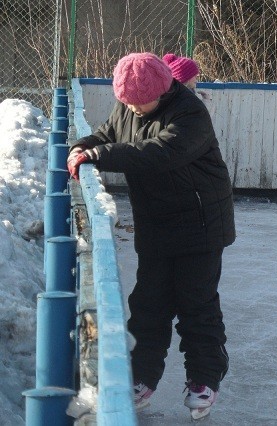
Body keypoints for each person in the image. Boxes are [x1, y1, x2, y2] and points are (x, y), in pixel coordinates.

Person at [66, 52, 235, 420]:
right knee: (148, 303)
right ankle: (140, 378)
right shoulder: (129, 105)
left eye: (143, 102)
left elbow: (159, 152)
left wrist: (100, 154)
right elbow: (107, 135)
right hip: (157, 221)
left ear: (164, 89)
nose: (135, 109)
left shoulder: (190, 112)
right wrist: (83, 145)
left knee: (196, 302)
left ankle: (204, 379)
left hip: (200, 224)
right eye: (129, 103)